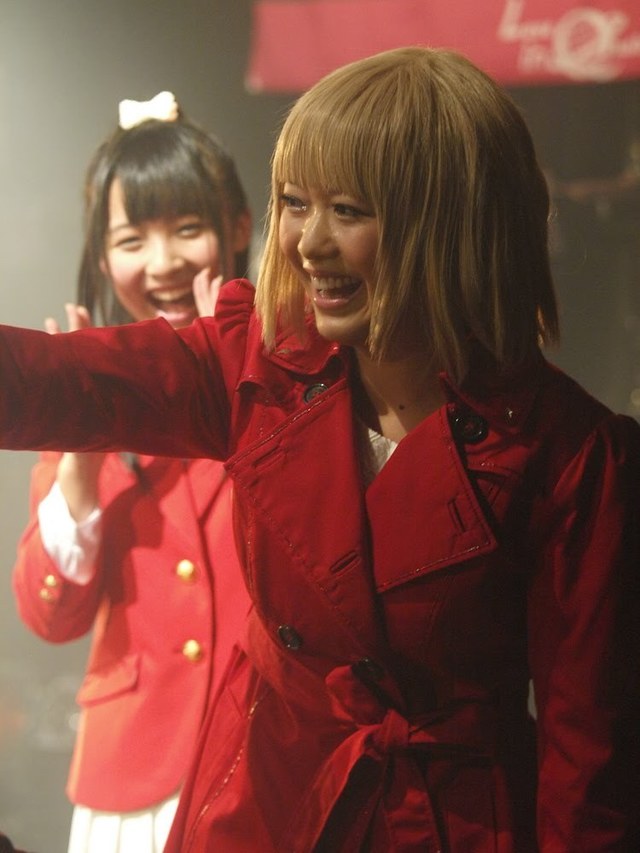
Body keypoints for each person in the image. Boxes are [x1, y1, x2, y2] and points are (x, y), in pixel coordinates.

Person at [1, 47, 640, 851]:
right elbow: (56, 381)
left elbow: (591, 769)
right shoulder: (257, 365)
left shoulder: (571, 457)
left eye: (348, 210)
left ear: (450, 219)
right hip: (265, 807)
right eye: (296, 203)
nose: (307, 243)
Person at [10, 95, 252, 852]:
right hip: (132, 779)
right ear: (102, 258)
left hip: (262, 755)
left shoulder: (288, 380)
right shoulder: (84, 397)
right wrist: (79, 469)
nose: (163, 261)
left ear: (240, 229)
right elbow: (51, 618)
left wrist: (235, 367)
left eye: (187, 228)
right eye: (131, 239)